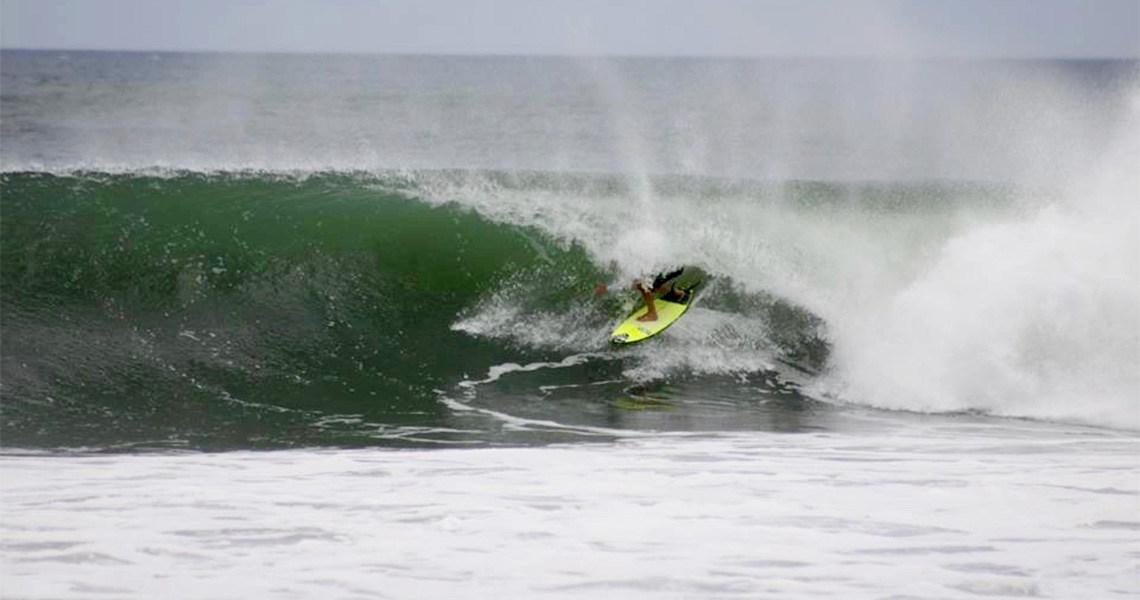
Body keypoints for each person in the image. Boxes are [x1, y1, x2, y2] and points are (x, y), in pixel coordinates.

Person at [594, 266, 700, 322]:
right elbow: (630, 281)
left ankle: (652, 314)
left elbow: (635, 281)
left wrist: (607, 288)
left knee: (645, 286)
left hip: (671, 266)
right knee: (650, 283)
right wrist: (607, 288)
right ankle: (678, 294)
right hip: (671, 265)